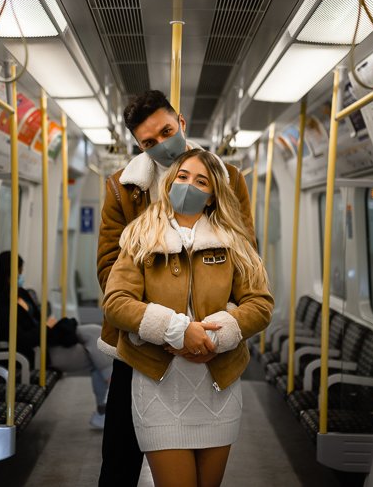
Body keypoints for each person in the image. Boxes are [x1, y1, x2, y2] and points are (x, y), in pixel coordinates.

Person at [96, 90, 256, 486]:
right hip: (140, 343)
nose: (161, 146)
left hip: (212, 341)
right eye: (148, 143)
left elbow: (245, 258)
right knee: (118, 456)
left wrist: (206, 333)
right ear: (138, 145)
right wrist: (164, 327)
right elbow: (108, 270)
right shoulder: (123, 188)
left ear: (181, 123)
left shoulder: (227, 178)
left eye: (166, 132)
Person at [0, 251, 112, 429]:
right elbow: (22, 339)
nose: (21, 276)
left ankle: (105, 407)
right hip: (36, 351)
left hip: (48, 339)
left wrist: (47, 327)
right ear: (7, 274)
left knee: (96, 333)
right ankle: (105, 406)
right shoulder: (1, 305)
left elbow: (40, 319)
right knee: (97, 356)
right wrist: (46, 328)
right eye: (18, 273)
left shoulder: (22, 294)